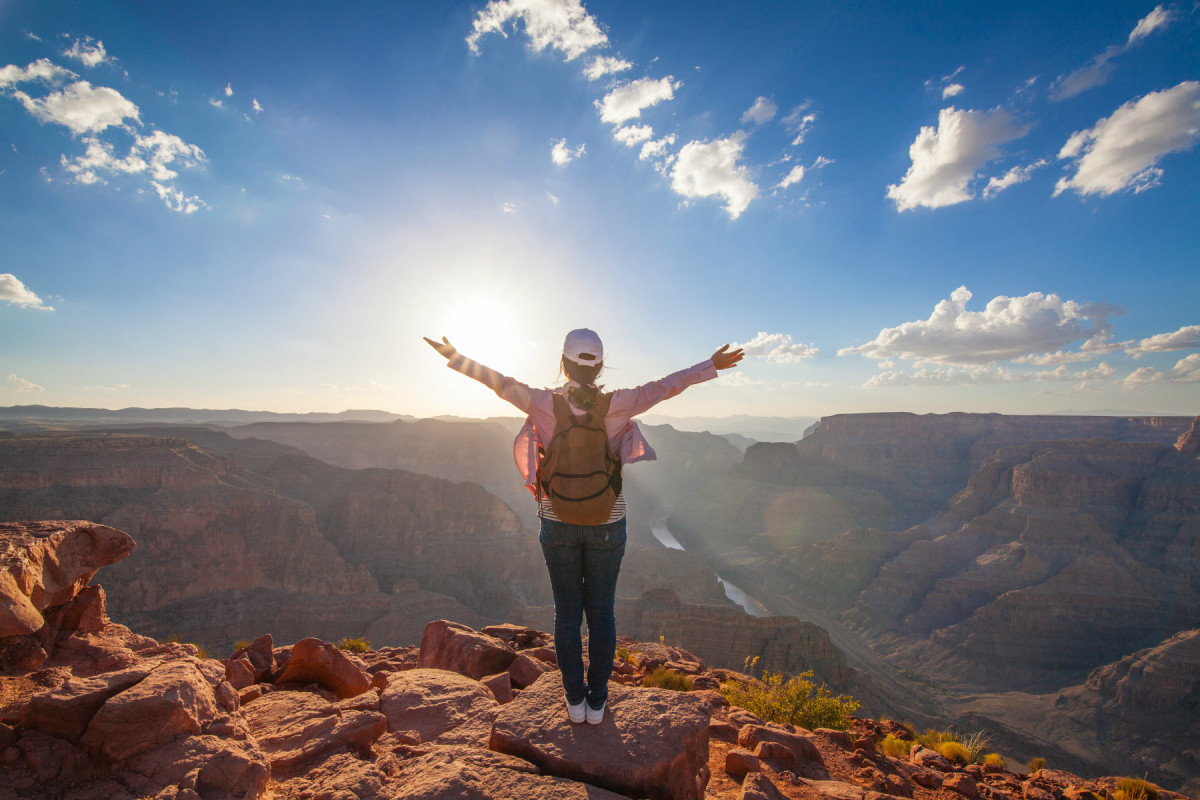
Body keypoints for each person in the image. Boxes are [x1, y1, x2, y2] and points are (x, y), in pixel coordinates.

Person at [424, 329, 743, 724]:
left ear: (564, 364)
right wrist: (710, 365)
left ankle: (574, 700)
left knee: (567, 613)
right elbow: (666, 387)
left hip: (557, 521)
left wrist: (456, 356)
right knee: (603, 613)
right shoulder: (620, 403)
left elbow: (499, 383)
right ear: (601, 366)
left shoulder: (543, 402)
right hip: (608, 521)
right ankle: (597, 702)